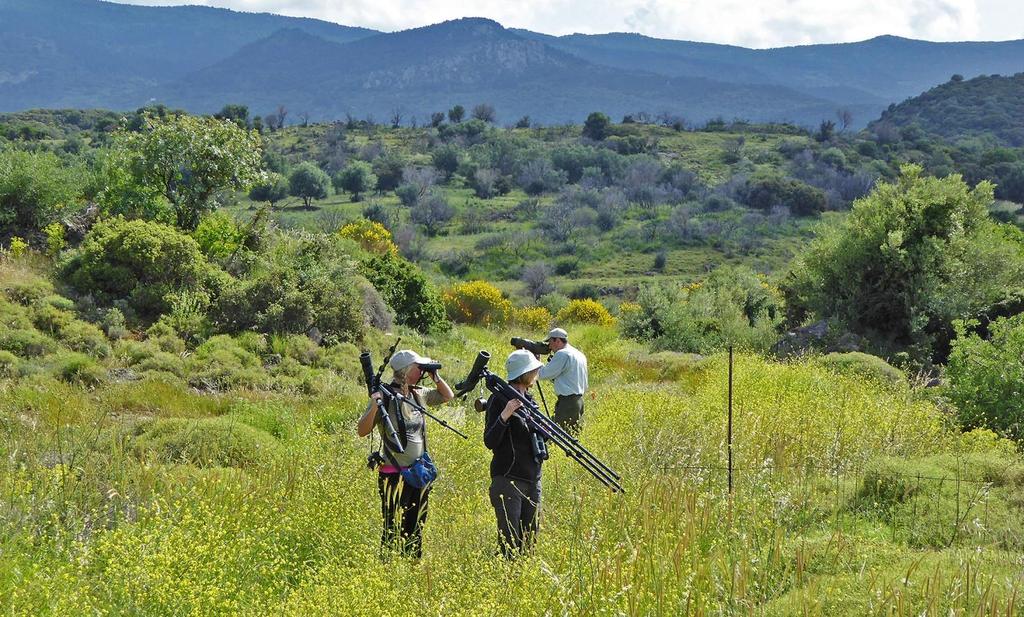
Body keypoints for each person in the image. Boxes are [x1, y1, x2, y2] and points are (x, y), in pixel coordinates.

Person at [357, 349, 453, 558]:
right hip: (394, 474)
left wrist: (434, 376)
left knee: (416, 528)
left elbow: (448, 395)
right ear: (406, 370)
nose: (421, 371)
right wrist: (375, 404)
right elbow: (362, 431)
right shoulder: (385, 396)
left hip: (419, 473)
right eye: (419, 367)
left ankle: (412, 565)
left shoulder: (417, 394)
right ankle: (388, 567)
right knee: (392, 529)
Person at [483, 349, 546, 559]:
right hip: (508, 480)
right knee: (509, 542)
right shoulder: (499, 399)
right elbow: (490, 441)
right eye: (533, 370)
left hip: (532, 479)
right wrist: (505, 415)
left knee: (529, 540)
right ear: (525, 373)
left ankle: (521, 578)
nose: (536, 373)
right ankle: (505, 582)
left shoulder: (530, 400)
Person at [538, 327, 588, 433]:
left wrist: (536, 362)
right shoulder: (579, 354)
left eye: (550, 342)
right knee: (573, 436)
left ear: (557, 340)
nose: (549, 346)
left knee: (559, 437)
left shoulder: (562, 354)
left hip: (568, 403)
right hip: (578, 401)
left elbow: (543, 374)